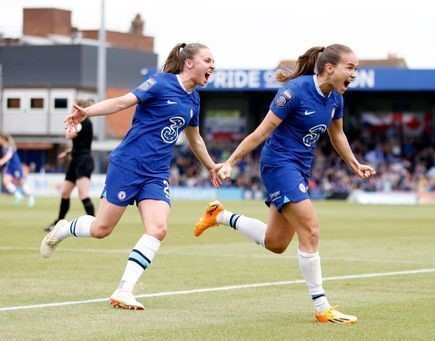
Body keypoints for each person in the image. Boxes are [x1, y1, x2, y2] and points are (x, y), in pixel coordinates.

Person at [194, 44, 376, 324]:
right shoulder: (295, 91)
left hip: (300, 169)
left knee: (276, 243)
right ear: (330, 68)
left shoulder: (336, 98)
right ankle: (321, 307)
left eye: (356, 69)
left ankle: (219, 215)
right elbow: (261, 132)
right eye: (350, 68)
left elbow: (337, 135)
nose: (354, 74)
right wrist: (230, 161)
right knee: (311, 230)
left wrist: (354, 164)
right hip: (279, 165)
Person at [40, 42, 221, 310]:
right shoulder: (160, 83)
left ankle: (124, 289)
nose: (213, 66)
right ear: (189, 63)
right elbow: (122, 102)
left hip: (156, 173)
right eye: (208, 60)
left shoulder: (194, 98)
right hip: (128, 165)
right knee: (102, 229)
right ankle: (64, 228)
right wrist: (87, 112)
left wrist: (211, 166)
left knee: (158, 229)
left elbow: (194, 139)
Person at [43, 99, 96, 232]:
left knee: (83, 194)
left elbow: (70, 135)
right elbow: (80, 143)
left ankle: (94, 223)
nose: (73, 111)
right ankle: (58, 223)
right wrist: (68, 152)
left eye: (75, 108)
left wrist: (70, 123)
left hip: (84, 161)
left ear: (81, 108)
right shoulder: (81, 122)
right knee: (65, 192)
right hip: (76, 160)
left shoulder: (85, 122)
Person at [0, 133, 36, 207]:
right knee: (5, 181)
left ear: (3, 139)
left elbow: (9, 156)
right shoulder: (3, 147)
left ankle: (31, 197)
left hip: (16, 166)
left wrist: (2, 161)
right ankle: (18, 195)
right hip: (10, 167)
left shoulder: (9, 146)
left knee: (21, 183)